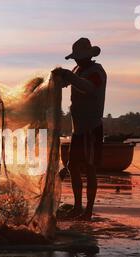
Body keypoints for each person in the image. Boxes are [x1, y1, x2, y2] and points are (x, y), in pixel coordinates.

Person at [54, 38, 107, 221]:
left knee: (90, 168)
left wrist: (69, 76)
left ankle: (88, 211)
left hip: (91, 128)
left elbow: (88, 88)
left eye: (79, 57)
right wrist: (56, 79)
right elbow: (67, 83)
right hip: (78, 129)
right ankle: (77, 207)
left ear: (87, 56)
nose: (76, 61)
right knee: (74, 167)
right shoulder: (78, 70)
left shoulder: (97, 72)